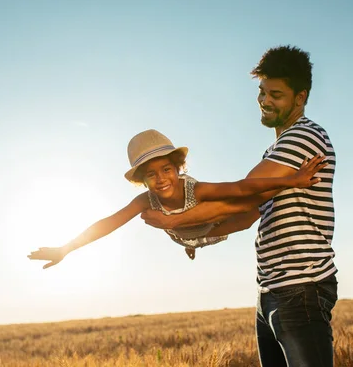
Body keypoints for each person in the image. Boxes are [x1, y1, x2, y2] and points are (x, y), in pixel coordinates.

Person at [141, 45, 337, 367]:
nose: (264, 101)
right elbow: (247, 216)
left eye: (276, 94)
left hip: (301, 286)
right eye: (262, 91)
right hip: (271, 290)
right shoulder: (275, 150)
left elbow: (240, 199)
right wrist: (196, 236)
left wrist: (173, 221)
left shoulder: (302, 138)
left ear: (300, 98)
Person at [28, 128, 326, 267]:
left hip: (213, 227)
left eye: (167, 169)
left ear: (179, 168)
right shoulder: (145, 201)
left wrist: (293, 180)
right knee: (187, 237)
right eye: (152, 174)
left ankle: (196, 242)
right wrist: (66, 248)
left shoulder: (194, 189)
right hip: (181, 234)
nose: (161, 179)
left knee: (249, 213)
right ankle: (190, 245)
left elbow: (238, 187)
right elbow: (109, 223)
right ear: (142, 180)